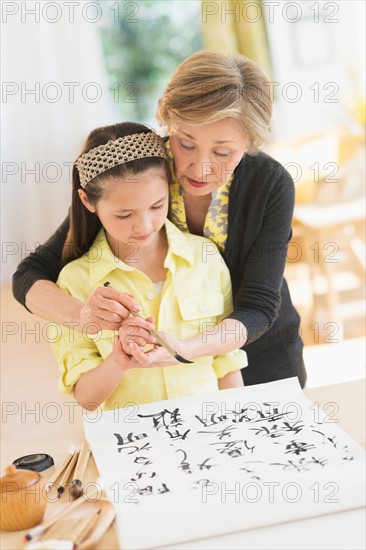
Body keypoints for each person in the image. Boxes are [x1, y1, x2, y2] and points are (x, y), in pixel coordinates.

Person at [13, 50, 306, 388]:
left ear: (250, 143)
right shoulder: (140, 171)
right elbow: (29, 276)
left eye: (223, 153)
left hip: (264, 352)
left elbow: (258, 306)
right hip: (173, 380)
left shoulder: (269, 183)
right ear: (168, 122)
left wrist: (186, 349)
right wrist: (83, 316)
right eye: (185, 144)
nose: (200, 168)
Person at [50, 121, 246, 411]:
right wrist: (117, 362)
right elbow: (86, 398)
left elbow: (227, 363)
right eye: (124, 214)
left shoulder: (205, 257)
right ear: (87, 201)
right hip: (135, 444)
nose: (144, 225)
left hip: (211, 433)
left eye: (157, 205)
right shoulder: (74, 281)